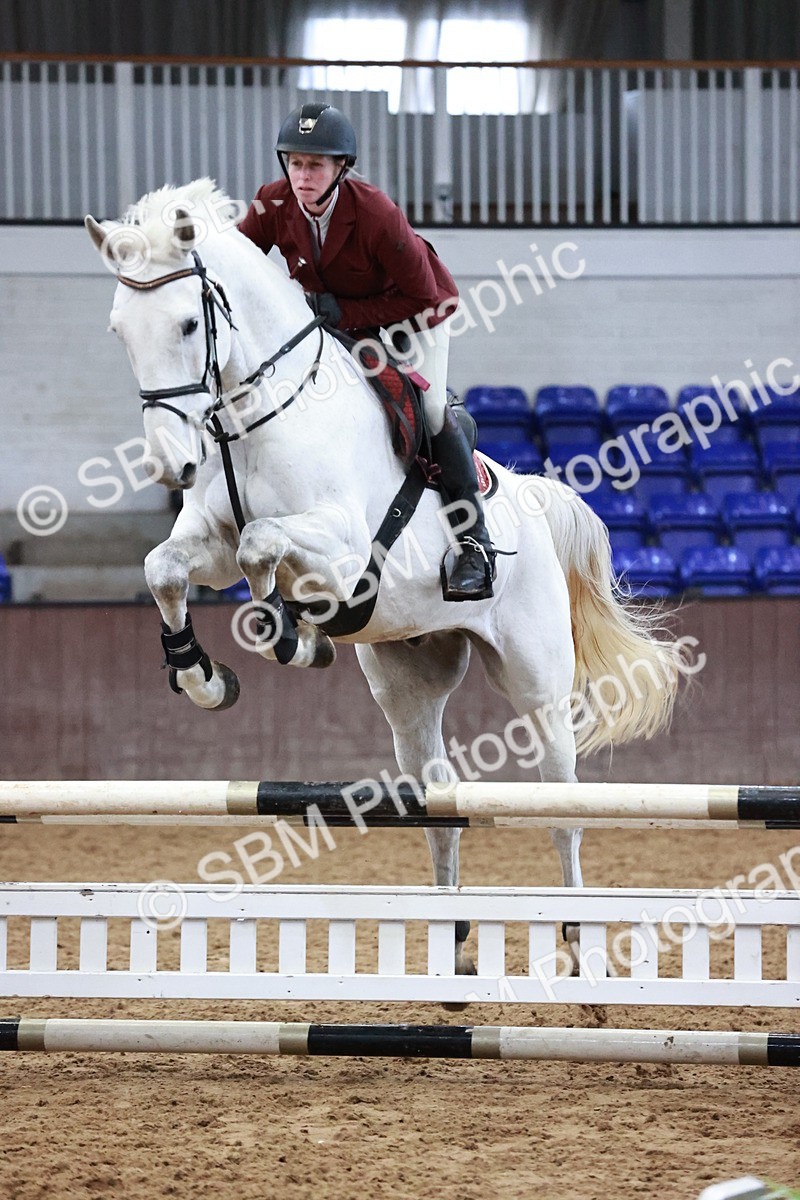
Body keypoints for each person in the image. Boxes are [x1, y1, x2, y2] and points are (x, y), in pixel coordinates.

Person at [238, 102, 496, 601]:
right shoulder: (273, 202)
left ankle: (473, 545)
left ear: (341, 168)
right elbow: (240, 263)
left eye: (315, 165)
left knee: (433, 411)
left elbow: (428, 298)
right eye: (294, 163)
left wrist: (342, 313)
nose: (302, 175)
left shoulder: (374, 212)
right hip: (334, 324)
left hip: (415, 317)